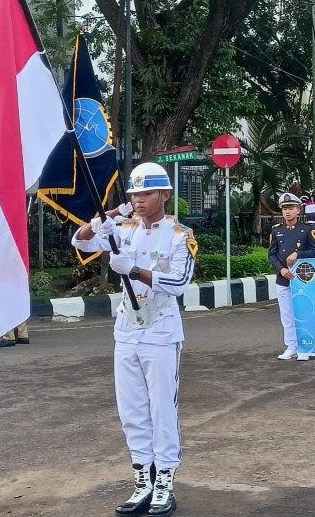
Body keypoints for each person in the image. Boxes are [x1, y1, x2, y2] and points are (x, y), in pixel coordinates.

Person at [71, 163, 197, 517]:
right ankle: (142, 479)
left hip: (160, 329)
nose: (139, 201)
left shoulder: (178, 234)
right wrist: (109, 215)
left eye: (145, 194)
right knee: (131, 411)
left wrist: (136, 271)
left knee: (161, 410)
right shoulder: (123, 229)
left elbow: (178, 283)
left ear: (164, 195)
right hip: (127, 328)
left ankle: (164, 484)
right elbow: (79, 240)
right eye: (133, 195)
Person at [269, 192, 315, 360]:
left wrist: (298, 254)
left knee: (304, 312)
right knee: (287, 315)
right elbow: (272, 255)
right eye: (284, 208)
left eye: (291, 208)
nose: (287, 212)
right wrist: (280, 269)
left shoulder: (307, 229)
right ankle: (291, 346)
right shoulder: (276, 231)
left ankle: (305, 346)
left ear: (299, 210)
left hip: (302, 279)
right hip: (284, 278)